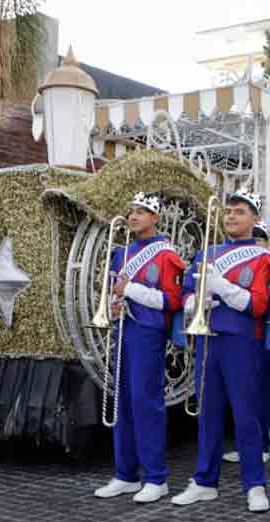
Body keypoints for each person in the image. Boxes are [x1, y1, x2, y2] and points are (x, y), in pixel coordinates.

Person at [171, 190, 270, 513]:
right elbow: (186, 295)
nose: (231, 216)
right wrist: (195, 304)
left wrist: (223, 289)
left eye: (240, 212)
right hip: (208, 339)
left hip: (242, 341)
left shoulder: (263, 258)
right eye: (229, 211)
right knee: (209, 414)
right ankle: (205, 481)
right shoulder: (207, 253)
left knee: (246, 416)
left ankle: (255, 484)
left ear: (254, 219)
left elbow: (258, 305)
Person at [93, 193, 186, 503]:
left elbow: (171, 301)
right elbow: (114, 291)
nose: (133, 217)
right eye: (131, 211)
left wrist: (130, 290)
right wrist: (114, 303)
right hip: (125, 328)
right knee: (123, 403)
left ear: (155, 218)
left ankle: (156, 477)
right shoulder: (122, 253)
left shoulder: (166, 255)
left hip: (148, 333)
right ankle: (125, 474)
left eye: (142, 212)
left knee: (146, 404)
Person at [222, 220, 270, 465]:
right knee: (248, 394)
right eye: (253, 237)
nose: (256, 242)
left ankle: (261, 445)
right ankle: (250, 443)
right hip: (245, 334)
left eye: (260, 238)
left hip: (264, 335)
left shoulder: (268, 263)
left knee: (259, 393)